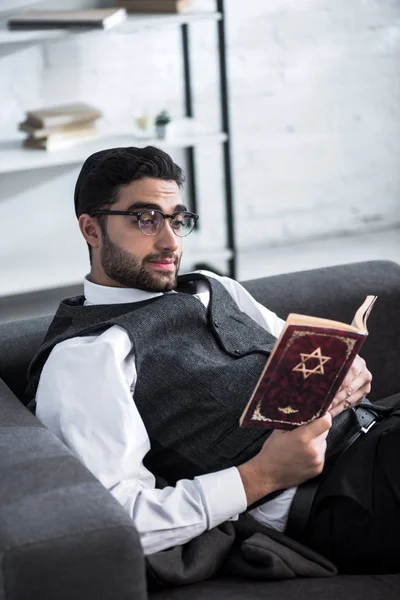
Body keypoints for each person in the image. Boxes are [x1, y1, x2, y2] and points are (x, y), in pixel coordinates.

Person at [27, 146, 399, 576]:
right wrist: (260, 476)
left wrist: (349, 373)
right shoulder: (86, 357)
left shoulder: (213, 287)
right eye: (145, 219)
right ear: (91, 230)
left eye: (177, 219)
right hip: (340, 494)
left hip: (381, 425)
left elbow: (302, 355)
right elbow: (119, 518)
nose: (170, 241)